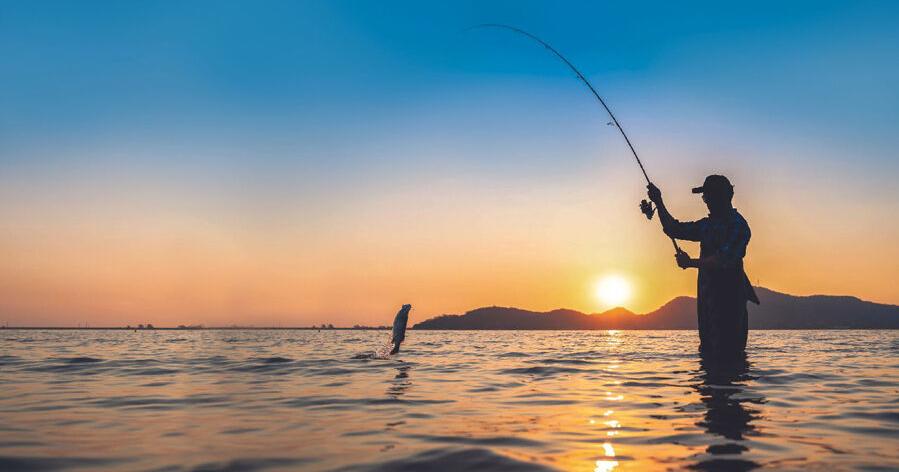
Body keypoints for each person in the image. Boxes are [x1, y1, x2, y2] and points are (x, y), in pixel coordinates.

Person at [646, 175, 759, 357]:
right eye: (705, 197)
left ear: (722, 197)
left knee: (730, 354)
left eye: (708, 196)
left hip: (730, 305)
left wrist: (690, 263)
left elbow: (724, 259)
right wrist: (659, 202)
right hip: (708, 306)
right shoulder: (707, 226)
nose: (706, 201)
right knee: (708, 354)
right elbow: (673, 229)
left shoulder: (739, 226)